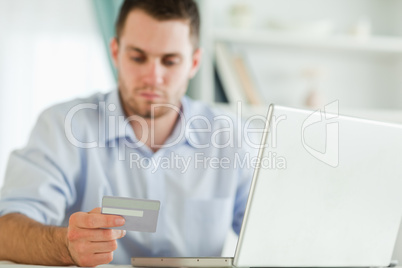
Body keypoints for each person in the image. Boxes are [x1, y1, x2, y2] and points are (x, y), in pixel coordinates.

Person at [0, 0, 256, 266]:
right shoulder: (64, 126)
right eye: (137, 57)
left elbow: (271, 235)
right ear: (115, 52)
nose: (153, 77)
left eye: (169, 61)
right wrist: (65, 245)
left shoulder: (232, 138)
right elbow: (5, 232)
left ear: (194, 63)